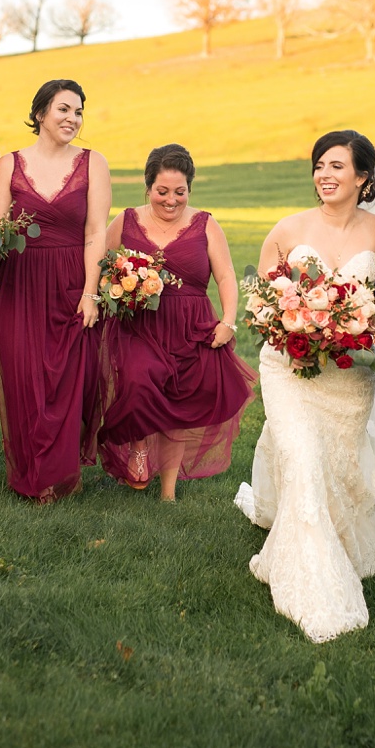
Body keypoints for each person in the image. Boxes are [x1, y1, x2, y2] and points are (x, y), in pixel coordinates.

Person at [233, 131, 375, 641]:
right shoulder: (288, 228)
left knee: (335, 463)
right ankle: (311, 584)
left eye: (338, 166)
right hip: (288, 369)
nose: (325, 174)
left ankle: (341, 538)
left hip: (349, 372)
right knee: (301, 458)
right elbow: (262, 301)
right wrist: (289, 321)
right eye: (319, 165)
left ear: (363, 178)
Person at [90, 144, 254, 500]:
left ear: (190, 190)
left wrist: (228, 322)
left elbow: (225, 276)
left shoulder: (206, 224)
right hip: (139, 326)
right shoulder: (127, 220)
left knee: (178, 407)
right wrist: (112, 288)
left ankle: (168, 492)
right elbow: (99, 262)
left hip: (191, 328)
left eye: (180, 192)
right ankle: (137, 447)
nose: (171, 200)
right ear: (148, 187)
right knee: (138, 380)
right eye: (162, 192)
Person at [0, 77, 110, 502]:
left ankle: (58, 474)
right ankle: (32, 473)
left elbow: (96, 231)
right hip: (18, 283)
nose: (72, 118)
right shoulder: (9, 164)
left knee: (65, 380)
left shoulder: (94, 163)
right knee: (24, 377)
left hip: (71, 280)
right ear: (40, 113)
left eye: (78, 111)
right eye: (63, 109)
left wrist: (91, 292)